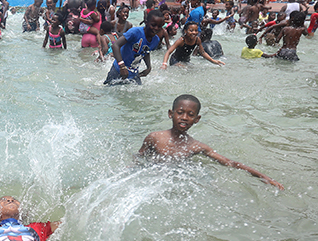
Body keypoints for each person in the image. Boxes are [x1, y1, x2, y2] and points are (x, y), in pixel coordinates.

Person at [138, 95, 284, 189]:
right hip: (151, 177)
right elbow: (139, 157)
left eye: (190, 115)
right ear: (171, 114)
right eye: (180, 112)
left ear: (197, 119)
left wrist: (263, 177)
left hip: (175, 181)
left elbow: (230, 163)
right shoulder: (155, 137)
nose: (184, 117)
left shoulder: (196, 146)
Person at [104, 10, 164, 85]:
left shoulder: (156, 40)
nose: (156, 28)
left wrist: (149, 67)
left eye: (159, 26)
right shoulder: (135, 32)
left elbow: (145, 52)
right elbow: (115, 45)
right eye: (153, 25)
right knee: (109, 91)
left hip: (133, 73)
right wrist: (122, 66)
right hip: (118, 70)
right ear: (146, 22)